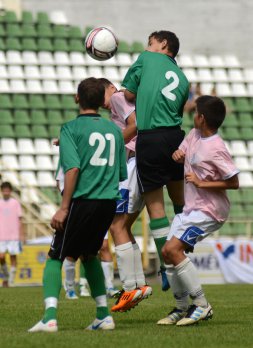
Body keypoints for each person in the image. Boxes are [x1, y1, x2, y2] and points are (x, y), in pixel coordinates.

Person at [28, 77, 127, 333]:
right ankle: (104, 315)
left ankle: (49, 317)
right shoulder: (115, 131)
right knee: (89, 255)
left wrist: (63, 206)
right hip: (108, 202)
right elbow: (120, 173)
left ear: (77, 99)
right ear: (101, 102)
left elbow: (72, 168)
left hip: (83, 201)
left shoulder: (70, 128)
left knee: (55, 256)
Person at [157, 95, 239, 327]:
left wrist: (203, 183)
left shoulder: (216, 147)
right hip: (191, 208)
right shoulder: (193, 135)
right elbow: (181, 152)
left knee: (173, 249)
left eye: (196, 112)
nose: (193, 115)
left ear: (201, 118)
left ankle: (202, 305)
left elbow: (234, 182)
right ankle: (181, 307)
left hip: (210, 211)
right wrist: (177, 154)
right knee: (167, 253)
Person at [122, 30, 189, 290]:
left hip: (149, 137)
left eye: (151, 42)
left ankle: (168, 266)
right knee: (180, 202)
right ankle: (182, 251)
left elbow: (128, 94)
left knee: (156, 209)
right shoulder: (183, 78)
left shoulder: (147, 58)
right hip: (175, 138)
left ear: (163, 44)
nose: (147, 45)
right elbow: (178, 107)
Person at [100, 78, 152, 313]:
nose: (102, 105)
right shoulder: (117, 104)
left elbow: (136, 124)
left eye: (101, 97)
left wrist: (112, 143)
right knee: (125, 226)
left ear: (110, 88)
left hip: (134, 163)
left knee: (116, 225)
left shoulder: (119, 98)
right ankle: (139, 284)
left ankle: (129, 287)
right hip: (139, 162)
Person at [56, 164, 118, 300]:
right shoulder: (69, 153)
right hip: (78, 207)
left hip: (98, 205)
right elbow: (60, 179)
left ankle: (109, 286)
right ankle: (71, 287)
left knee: (103, 246)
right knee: (73, 250)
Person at [0, 182, 24, 287]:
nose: (6, 191)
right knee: (1, 257)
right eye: (4, 189)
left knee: (13, 257)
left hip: (14, 235)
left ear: (10, 191)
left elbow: (20, 219)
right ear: (1, 191)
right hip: (1, 235)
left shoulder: (15, 203)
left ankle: (11, 281)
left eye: (7, 189)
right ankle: (6, 276)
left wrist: (22, 234)